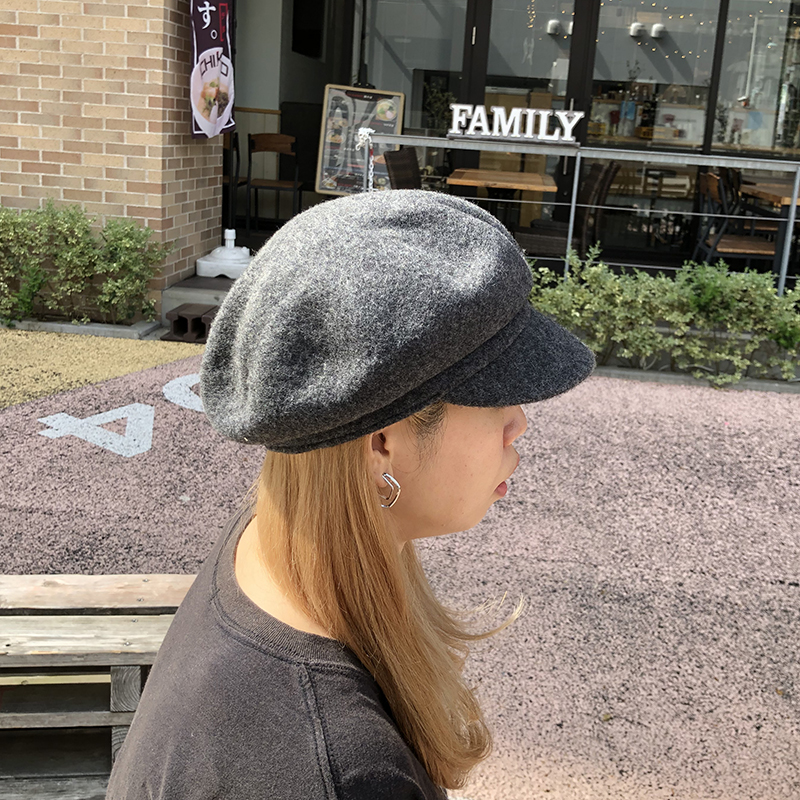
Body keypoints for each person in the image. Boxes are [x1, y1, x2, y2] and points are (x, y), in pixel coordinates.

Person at [106, 189, 595, 799]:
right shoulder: (345, 774)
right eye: (497, 395)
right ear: (381, 443)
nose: (518, 422)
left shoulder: (271, 540)